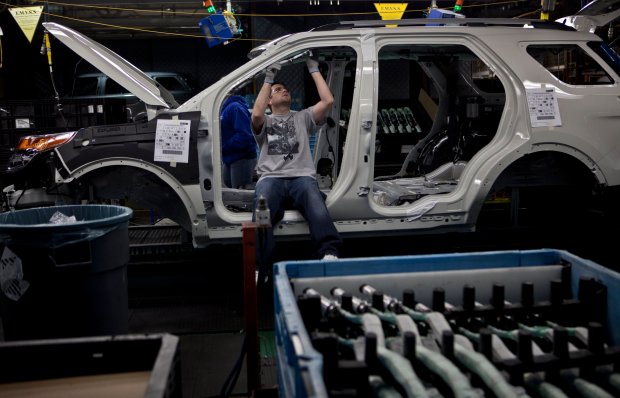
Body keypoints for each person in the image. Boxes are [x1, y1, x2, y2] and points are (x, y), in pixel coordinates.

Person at [251, 54, 342, 264]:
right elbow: (256, 114)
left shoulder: (303, 117)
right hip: (271, 178)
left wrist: (313, 69)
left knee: (316, 205)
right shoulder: (265, 120)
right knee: (262, 211)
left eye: (285, 89)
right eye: (277, 90)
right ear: (269, 101)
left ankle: (329, 251)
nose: (284, 90)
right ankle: (262, 263)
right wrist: (269, 79)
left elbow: (328, 100)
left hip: (301, 177)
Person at [220, 95, 258, 188]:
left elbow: (245, 136)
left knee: (240, 196)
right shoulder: (224, 108)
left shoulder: (235, 107)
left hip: (242, 158)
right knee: (229, 193)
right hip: (229, 157)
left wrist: (223, 147)